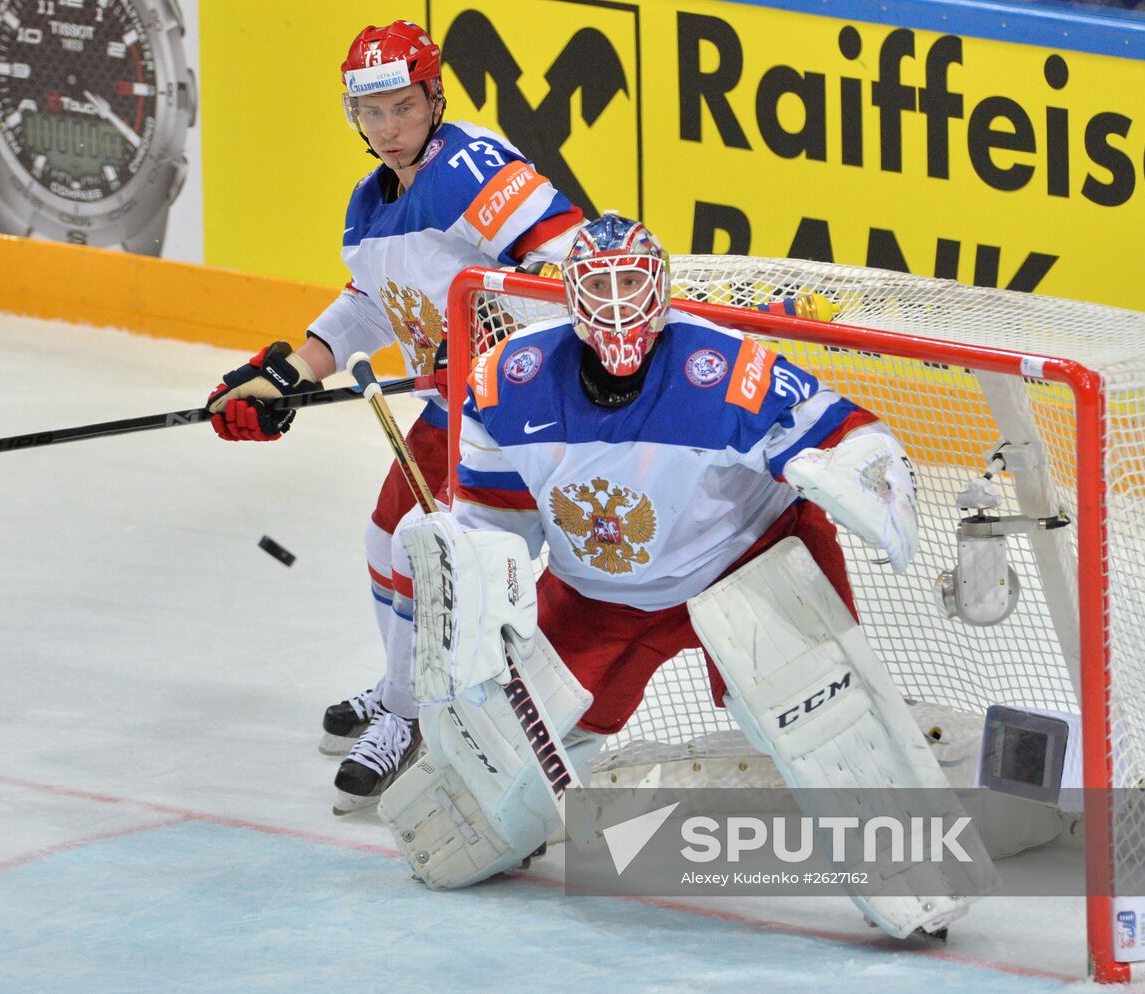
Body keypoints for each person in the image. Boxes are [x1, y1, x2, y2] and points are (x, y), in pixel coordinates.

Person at [378, 213, 994, 938]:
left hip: (745, 562)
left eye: (631, 282)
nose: (616, 304)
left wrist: (856, 481)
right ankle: (501, 827)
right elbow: (494, 520)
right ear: (570, 298)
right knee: (496, 748)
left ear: (662, 290)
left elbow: (852, 433)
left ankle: (921, 891)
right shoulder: (508, 381)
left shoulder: (724, 370)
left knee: (828, 723)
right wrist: (477, 582)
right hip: (598, 590)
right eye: (599, 286)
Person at [203, 21, 583, 812]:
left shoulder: (475, 166)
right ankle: (407, 685)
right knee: (388, 535)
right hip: (460, 407)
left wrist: (495, 335)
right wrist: (288, 373)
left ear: (435, 97)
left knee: (434, 557)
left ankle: (413, 715)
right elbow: (370, 306)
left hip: (528, 412)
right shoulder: (371, 203)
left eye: (402, 108)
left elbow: (571, 260)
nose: (385, 130)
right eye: (369, 114)